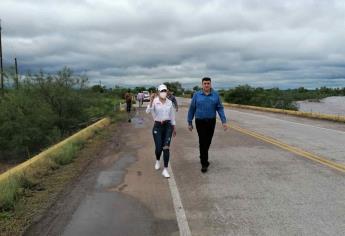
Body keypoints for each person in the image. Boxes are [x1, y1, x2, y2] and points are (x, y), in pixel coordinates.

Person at [187, 77, 228, 173]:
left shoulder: (215, 95)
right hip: (200, 121)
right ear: (202, 85)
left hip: (211, 121)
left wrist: (224, 121)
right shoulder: (196, 95)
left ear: (211, 84)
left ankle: (202, 155)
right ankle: (204, 163)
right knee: (202, 141)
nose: (206, 85)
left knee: (208, 141)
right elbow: (192, 108)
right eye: (204, 83)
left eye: (208, 83)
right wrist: (189, 122)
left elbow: (220, 108)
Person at [146, 84, 176, 178]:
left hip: (168, 126)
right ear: (158, 92)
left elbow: (172, 116)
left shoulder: (170, 102)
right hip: (158, 126)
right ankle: (158, 160)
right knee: (158, 148)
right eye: (161, 91)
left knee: (166, 147)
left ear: (167, 91)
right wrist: (151, 101)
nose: (163, 93)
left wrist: (174, 128)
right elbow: (148, 111)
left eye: (165, 91)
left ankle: (165, 169)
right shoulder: (155, 101)